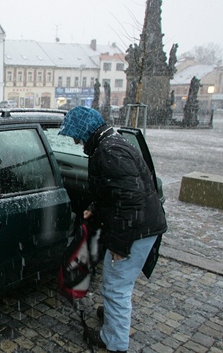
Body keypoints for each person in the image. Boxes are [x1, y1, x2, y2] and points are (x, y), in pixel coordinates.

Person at [58, 106, 167, 353]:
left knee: (116, 287)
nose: (76, 141)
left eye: (76, 135)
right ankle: (111, 316)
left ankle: (114, 342)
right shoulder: (111, 143)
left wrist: (119, 245)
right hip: (142, 225)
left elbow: (130, 201)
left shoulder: (109, 151)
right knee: (117, 284)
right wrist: (96, 207)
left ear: (85, 131)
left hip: (136, 231)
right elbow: (117, 189)